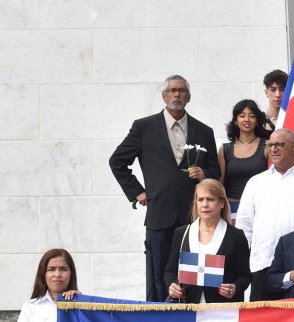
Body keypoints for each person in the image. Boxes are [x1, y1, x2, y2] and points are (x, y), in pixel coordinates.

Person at [110, 74, 219, 302]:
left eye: (181, 91)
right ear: (164, 96)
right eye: (172, 90)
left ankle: (195, 315)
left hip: (194, 216)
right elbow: (117, 161)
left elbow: (216, 172)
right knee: (159, 273)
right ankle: (158, 319)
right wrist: (137, 192)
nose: (177, 94)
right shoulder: (144, 127)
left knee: (195, 271)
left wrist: (204, 174)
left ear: (188, 97)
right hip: (160, 214)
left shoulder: (204, 131)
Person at [234, 129, 294, 301]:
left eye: (279, 145)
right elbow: (244, 226)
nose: (273, 149)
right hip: (263, 264)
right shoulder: (256, 182)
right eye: (270, 145)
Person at [164, 179, 252, 303]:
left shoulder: (236, 236)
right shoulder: (181, 233)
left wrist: (235, 288)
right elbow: (170, 272)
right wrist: (171, 286)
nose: (205, 204)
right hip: (188, 309)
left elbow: (245, 275)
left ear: (222, 203)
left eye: (210, 199)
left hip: (222, 310)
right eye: (200, 199)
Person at [217, 99, 271, 208]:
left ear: (257, 121)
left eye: (252, 116)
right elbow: (219, 183)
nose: (247, 119)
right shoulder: (224, 149)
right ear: (236, 121)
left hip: (261, 206)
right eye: (242, 116)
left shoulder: (268, 146)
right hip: (232, 207)